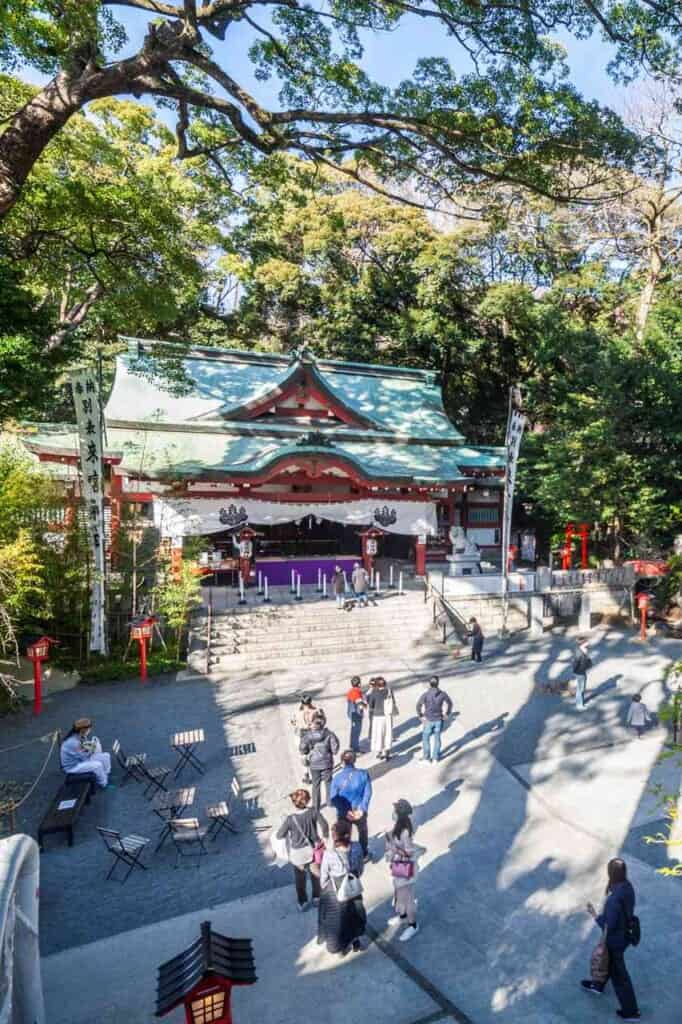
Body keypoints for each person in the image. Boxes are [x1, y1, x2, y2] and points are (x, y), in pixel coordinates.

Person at [581, 858, 640, 1021]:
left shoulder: (614, 899)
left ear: (610, 873)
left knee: (619, 975)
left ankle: (631, 1012)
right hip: (625, 935)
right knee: (608, 962)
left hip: (616, 939)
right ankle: (598, 985)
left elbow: (609, 925)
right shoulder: (628, 887)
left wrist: (593, 914)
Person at [318, 819, 366, 955]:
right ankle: (356, 941)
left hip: (337, 889)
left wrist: (325, 889)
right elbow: (361, 868)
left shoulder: (330, 854)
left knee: (339, 920)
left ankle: (342, 946)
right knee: (355, 915)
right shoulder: (357, 847)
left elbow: (324, 876)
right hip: (353, 886)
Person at [277, 788, 329, 911]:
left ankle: (303, 902)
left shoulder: (290, 819)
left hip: (298, 853)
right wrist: (325, 838)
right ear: (307, 800)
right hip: (313, 849)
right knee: (316, 875)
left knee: (300, 879)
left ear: (295, 803)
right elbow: (325, 825)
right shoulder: (313, 812)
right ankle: (317, 898)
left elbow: (280, 835)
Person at [385, 798, 419, 941]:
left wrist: (394, 848)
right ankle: (402, 916)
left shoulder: (405, 832)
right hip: (399, 866)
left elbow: (409, 852)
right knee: (399, 895)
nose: (393, 812)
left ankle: (413, 925)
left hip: (406, 869)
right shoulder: (398, 828)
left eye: (395, 810)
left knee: (407, 898)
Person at [330, 749, 372, 859]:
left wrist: (345, 811)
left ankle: (344, 854)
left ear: (342, 762)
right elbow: (367, 793)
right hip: (358, 810)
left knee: (343, 833)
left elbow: (333, 799)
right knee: (362, 831)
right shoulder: (363, 774)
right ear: (354, 760)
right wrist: (362, 809)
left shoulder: (337, 778)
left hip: (343, 813)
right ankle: (364, 853)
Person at [299, 711, 340, 813]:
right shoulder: (330, 734)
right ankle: (330, 802)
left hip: (314, 763)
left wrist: (308, 751)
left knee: (315, 785)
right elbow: (335, 750)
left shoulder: (307, 736)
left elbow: (302, 749)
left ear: (312, 723)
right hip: (327, 762)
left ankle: (316, 806)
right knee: (328, 782)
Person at [60, 717, 112, 789]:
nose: (89, 730)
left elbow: (83, 749)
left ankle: (106, 774)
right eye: (89, 729)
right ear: (83, 730)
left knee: (106, 756)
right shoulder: (73, 742)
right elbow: (84, 757)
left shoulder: (80, 736)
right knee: (98, 765)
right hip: (73, 766)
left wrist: (92, 746)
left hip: (79, 759)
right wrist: (92, 749)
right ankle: (103, 784)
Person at [416, 676, 453, 763]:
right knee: (437, 738)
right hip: (439, 719)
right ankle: (435, 757)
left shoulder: (426, 694)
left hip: (428, 719)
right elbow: (450, 703)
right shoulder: (443, 694)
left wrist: (420, 715)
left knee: (426, 739)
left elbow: (418, 705)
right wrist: (447, 714)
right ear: (438, 683)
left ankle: (426, 757)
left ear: (430, 684)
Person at [367, 676, 398, 761]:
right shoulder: (389, 690)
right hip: (387, 715)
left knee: (378, 734)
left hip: (377, 716)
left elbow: (371, 704)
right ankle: (387, 752)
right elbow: (393, 701)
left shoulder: (374, 691)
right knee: (387, 733)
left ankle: (379, 752)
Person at [293, 694, 318, 783]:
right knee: (313, 754)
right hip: (311, 735)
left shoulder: (297, 712)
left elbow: (293, 722)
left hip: (300, 735)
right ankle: (315, 773)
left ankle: (306, 774)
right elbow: (320, 722)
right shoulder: (315, 711)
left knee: (303, 756)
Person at [346, 676, 366, 753]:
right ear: (359, 683)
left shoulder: (350, 691)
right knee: (356, 731)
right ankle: (355, 748)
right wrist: (365, 705)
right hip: (356, 714)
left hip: (352, 714)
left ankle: (353, 746)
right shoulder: (356, 692)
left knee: (354, 730)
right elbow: (359, 703)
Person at [573, 638, 592, 711]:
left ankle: (581, 702)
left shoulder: (582, 651)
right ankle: (579, 705)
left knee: (582, 688)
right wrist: (576, 672)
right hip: (580, 673)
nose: (588, 645)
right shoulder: (579, 653)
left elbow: (587, 661)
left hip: (582, 672)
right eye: (586, 644)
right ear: (582, 644)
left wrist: (586, 654)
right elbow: (575, 664)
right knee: (580, 689)